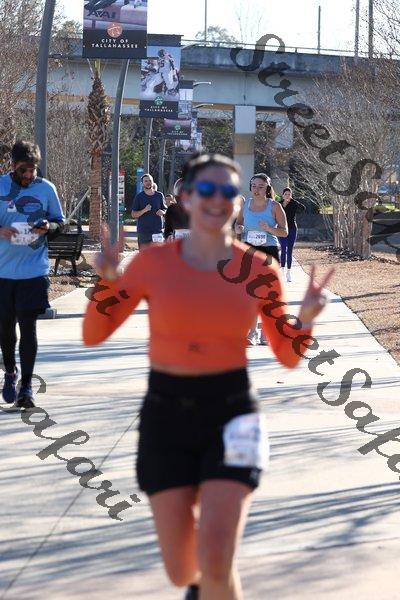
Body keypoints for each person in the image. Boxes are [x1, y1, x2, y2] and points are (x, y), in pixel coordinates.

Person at [83, 153, 333, 600]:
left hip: (232, 414)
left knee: (216, 558)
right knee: (184, 570)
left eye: (227, 191)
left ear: (238, 203)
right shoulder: (152, 264)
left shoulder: (259, 270)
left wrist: (307, 321)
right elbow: (94, 334)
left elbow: (288, 355)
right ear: (185, 197)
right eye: (206, 189)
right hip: (165, 417)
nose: (217, 199)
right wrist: (105, 281)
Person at [0, 140, 64, 409]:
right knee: (5, 330)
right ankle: (10, 371)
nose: (29, 175)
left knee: (28, 327)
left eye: (33, 170)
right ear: (12, 165)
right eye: (23, 170)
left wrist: (49, 226)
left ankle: (26, 387)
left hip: (33, 272)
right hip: (3, 272)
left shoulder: (46, 188)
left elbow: (61, 222)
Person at [235, 173, 288, 345]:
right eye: (254, 186)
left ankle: (266, 332)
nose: (256, 189)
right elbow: (238, 225)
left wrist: (269, 229)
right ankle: (252, 332)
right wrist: (238, 229)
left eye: (260, 186)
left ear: (267, 188)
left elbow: (284, 232)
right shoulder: (245, 204)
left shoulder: (275, 206)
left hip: (269, 250)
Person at [131, 173, 166, 249]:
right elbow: (133, 214)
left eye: (150, 180)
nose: (148, 182)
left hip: (157, 232)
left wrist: (163, 212)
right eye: (145, 181)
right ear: (142, 183)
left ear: (153, 182)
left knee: (158, 255)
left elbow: (165, 210)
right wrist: (144, 210)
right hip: (143, 232)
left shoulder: (159, 195)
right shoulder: (139, 197)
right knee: (144, 255)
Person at [279, 187, 306, 282]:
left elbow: (303, 208)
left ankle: (288, 272)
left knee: (289, 250)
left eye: (289, 194)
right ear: (282, 195)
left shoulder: (293, 203)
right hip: (282, 229)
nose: (287, 196)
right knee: (283, 249)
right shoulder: (279, 204)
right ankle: (282, 271)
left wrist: (293, 201)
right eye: (285, 194)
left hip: (292, 229)